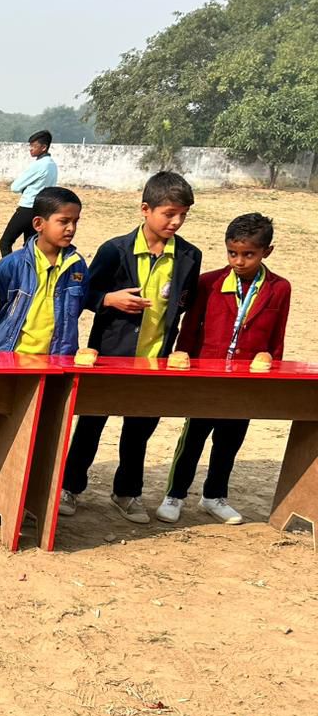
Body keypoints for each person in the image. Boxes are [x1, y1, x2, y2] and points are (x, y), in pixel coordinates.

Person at [60, 171, 202, 524]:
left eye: (182, 215)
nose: (176, 222)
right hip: (108, 356)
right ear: (145, 209)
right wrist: (109, 299)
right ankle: (69, 486)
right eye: (169, 214)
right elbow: (84, 295)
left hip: (155, 360)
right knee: (91, 424)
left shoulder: (189, 256)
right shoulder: (115, 250)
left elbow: (185, 304)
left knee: (139, 431)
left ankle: (127, 492)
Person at [156, 213, 289, 525]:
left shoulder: (280, 288)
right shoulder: (209, 282)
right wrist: (184, 363)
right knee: (193, 438)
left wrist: (271, 373)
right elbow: (190, 328)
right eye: (232, 253)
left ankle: (214, 496)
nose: (239, 261)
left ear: (267, 251)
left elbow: (277, 337)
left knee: (230, 441)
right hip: (207, 377)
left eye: (248, 254)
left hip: (247, 380)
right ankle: (174, 494)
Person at [0, 186, 87, 358]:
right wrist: (1, 347)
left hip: (58, 361)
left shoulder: (77, 266)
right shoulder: (12, 265)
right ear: (38, 224)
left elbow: (77, 307)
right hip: (13, 361)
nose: (71, 228)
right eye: (64, 221)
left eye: (75, 221)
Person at [0, 130, 58, 257]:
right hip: (41, 210)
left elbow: (15, 187)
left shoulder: (38, 165)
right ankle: (30, 268)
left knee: (5, 243)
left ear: (44, 147)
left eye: (34, 146)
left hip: (27, 208)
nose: (31, 149)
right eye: (30, 146)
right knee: (30, 246)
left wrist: (24, 189)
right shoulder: (52, 165)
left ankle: (10, 267)